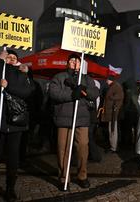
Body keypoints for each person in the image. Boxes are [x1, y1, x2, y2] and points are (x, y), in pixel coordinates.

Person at [49, 53, 99, 191]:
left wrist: (84, 90)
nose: (74, 63)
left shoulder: (86, 79)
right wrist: (71, 95)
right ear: (67, 63)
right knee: (63, 149)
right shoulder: (59, 77)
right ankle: (64, 177)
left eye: (77, 61)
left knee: (83, 146)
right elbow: (54, 93)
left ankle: (82, 176)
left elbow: (95, 93)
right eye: (71, 61)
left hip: (81, 118)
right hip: (64, 118)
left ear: (80, 63)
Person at [0, 49, 34, 201]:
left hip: (15, 122)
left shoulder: (22, 72)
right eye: (7, 56)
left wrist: (8, 85)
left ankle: (10, 187)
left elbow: (26, 92)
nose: (10, 59)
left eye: (13, 57)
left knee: (12, 157)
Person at [100, 75, 124, 153]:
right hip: (112, 113)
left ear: (110, 80)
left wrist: (110, 97)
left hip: (113, 113)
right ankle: (113, 146)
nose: (106, 81)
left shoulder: (116, 86)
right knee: (112, 129)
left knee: (113, 130)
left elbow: (119, 97)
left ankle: (114, 147)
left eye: (107, 80)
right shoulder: (114, 86)